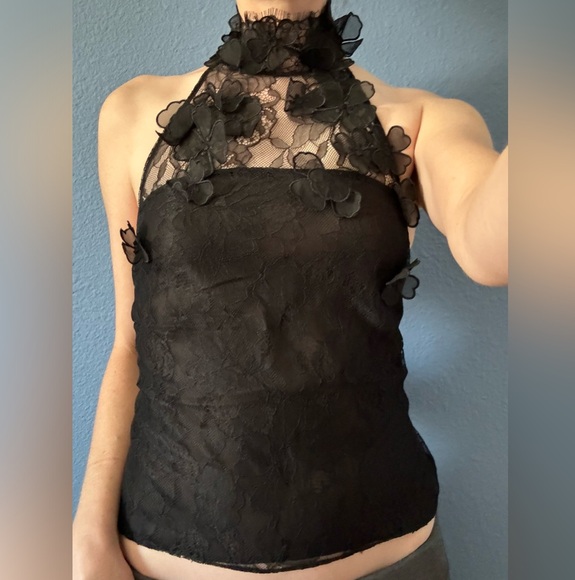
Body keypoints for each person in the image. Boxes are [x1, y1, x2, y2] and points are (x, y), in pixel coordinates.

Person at [72, 1, 507, 579]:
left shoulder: (422, 119)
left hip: (390, 556)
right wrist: (88, 534)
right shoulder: (132, 114)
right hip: (159, 553)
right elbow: (130, 344)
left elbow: (494, 251)